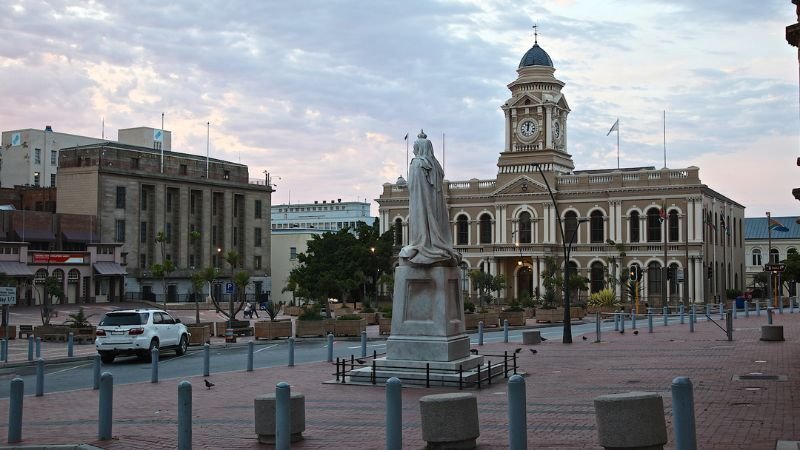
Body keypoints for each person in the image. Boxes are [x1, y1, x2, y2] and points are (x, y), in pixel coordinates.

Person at [399, 130, 461, 266]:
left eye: (415, 148)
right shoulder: (436, 165)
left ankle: (421, 245)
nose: (414, 150)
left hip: (420, 204)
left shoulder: (417, 163)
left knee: (420, 224)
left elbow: (414, 186)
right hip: (434, 205)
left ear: (419, 148)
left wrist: (404, 185)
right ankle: (435, 244)